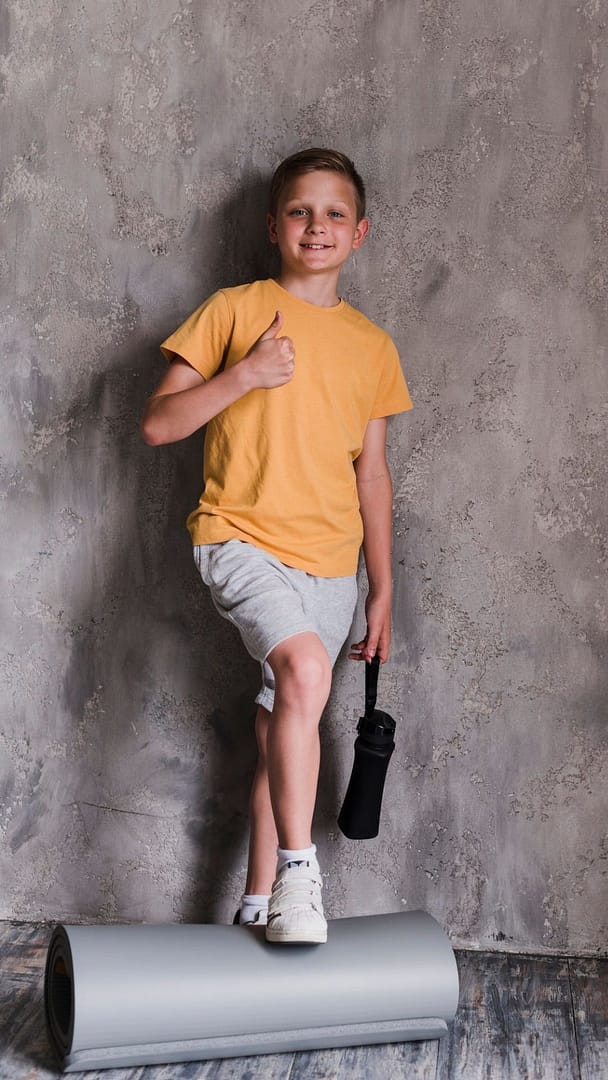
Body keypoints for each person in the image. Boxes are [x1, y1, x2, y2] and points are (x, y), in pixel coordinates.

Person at [140, 148, 412, 945]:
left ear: (359, 233)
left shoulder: (372, 345)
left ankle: (255, 905)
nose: (316, 226)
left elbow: (373, 478)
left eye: (334, 213)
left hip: (333, 565)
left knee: (280, 730)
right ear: (272, 226)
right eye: (299, 210)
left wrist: (381, 586)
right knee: (298, 675)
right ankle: (301, 874)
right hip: (240, 538)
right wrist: (247, 375)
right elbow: (159, 423)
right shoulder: (234, 310)